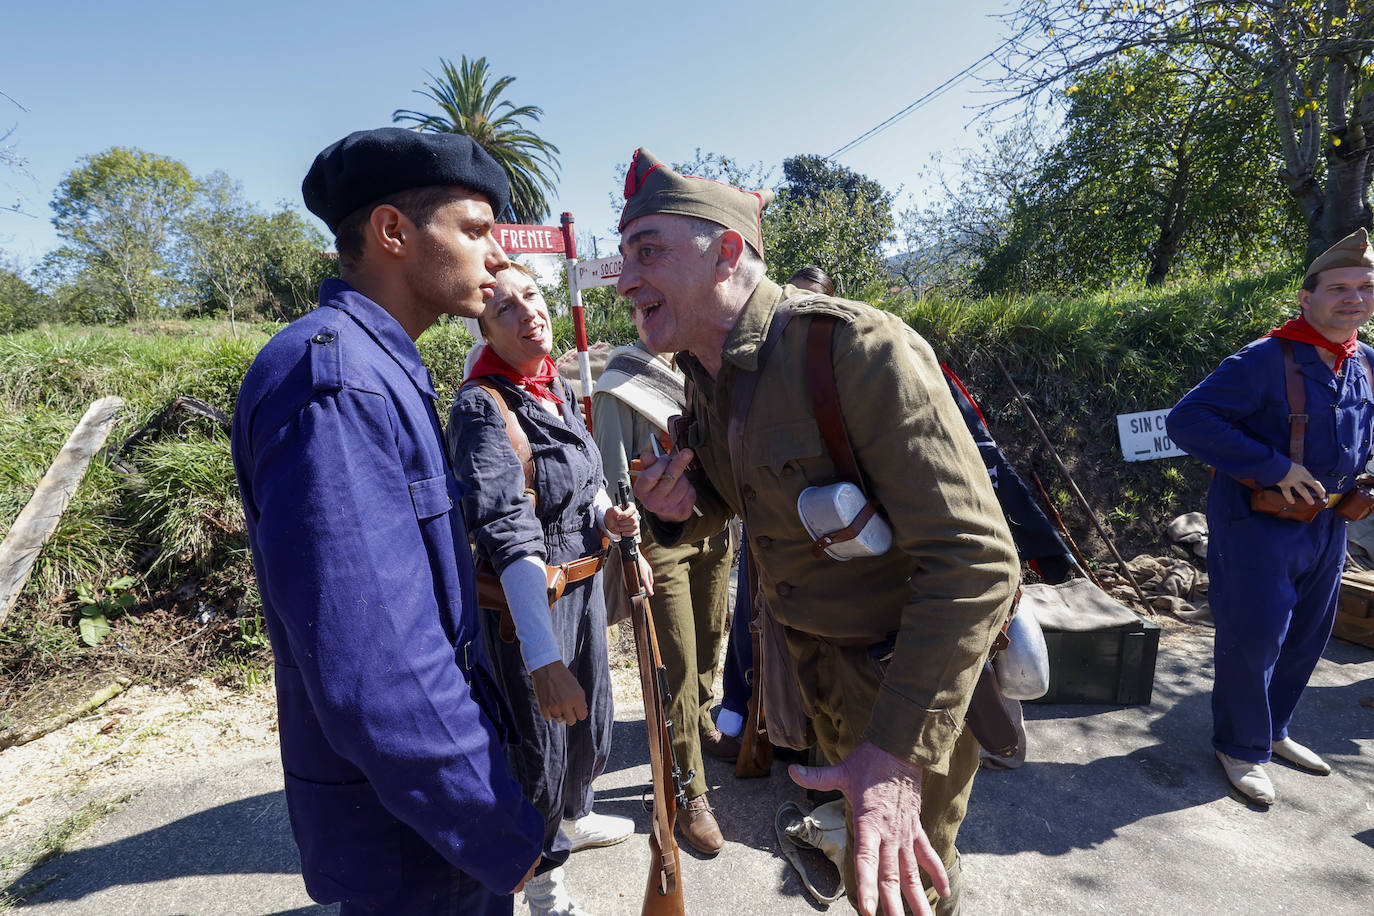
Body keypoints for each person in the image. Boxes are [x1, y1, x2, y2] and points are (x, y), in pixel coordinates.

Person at [617, 149, 1019, 916]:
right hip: (815, 674)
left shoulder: (854, 350)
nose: (625, 278)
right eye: (625, 253)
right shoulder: (709, 371)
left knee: (903, 887)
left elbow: (977, 563)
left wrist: (897, 754)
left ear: (727, 253)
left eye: (649, 251)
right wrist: (681, 506)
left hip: (904, 679)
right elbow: (738, 499)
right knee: (861, 866)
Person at [232, 127, 543, 915]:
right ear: (394, 232)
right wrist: (495, 824)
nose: (497, 258)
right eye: (474, 231)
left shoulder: (378, 367)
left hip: (419, 825)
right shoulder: (338, 385)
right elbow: (379, 667)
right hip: (418, 842)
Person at [446, 262, 640, 916]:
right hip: (529, 607)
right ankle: (543, 889)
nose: (529, 312)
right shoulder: (483, 405)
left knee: (588, 725)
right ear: (484, 330)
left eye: (532, 295)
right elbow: (507, 530)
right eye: (506, 309)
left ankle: (572, 820)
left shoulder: (550, 382)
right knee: (539, 745)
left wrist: (604, 516)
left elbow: (573, 486)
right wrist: (543, 659)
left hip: (582, 590)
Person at [1167, 228, 1374, 806]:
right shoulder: (1266, 358)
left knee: (1308, 634)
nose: (1354, 297)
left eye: (1365, 286)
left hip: (1330, 524)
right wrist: (1272, 465)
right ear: (1307, 300)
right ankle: (1240, 746)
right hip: (1257, 524)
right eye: (1338, 287)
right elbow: (1189, 420)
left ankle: (1273, 730)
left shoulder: (1366, 363)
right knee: (1255, 638)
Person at [590, 301, 734, 854]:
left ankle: (698, 726)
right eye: (647, 307)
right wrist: (631, 550)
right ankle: (685, 788)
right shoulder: (617, 385)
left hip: (715, 528)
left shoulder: (699, 366)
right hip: (659, 541)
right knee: (673, 659)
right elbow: (609, 475)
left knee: (708, 642)